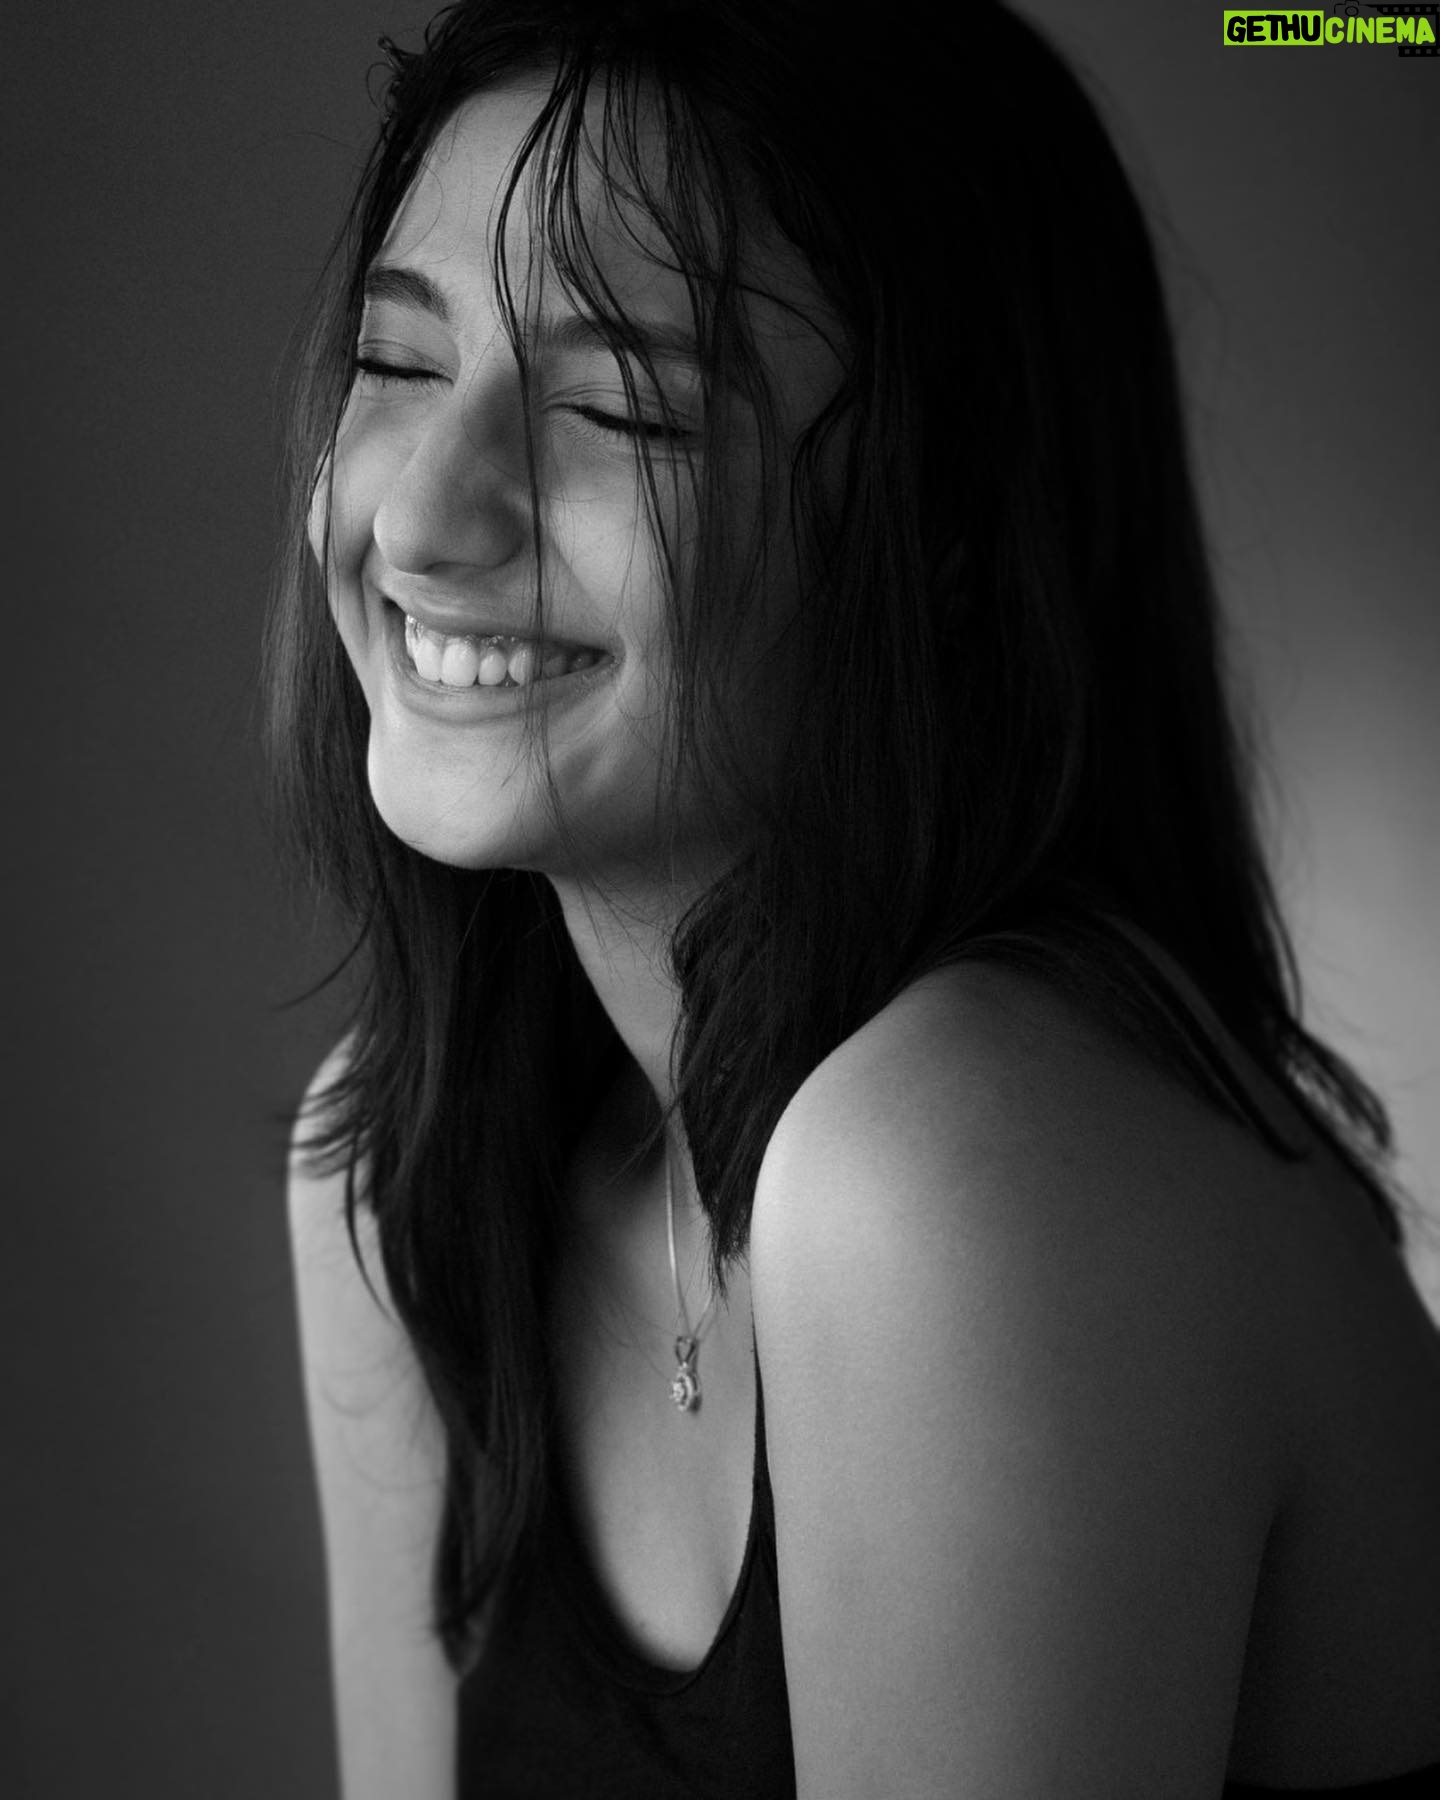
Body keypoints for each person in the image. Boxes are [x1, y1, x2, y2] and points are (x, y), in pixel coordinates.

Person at [268, 1, 1440, 1794]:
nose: (421, 520)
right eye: (400, 365)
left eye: (618, 404)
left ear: (944, 530)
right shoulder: (407, 1162)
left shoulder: (959, 1172)